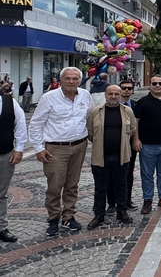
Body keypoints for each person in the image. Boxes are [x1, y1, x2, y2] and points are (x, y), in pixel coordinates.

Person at [29, 67, 93, 236]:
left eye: (75, 78)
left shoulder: (85, 96)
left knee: (72, 184)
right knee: (55, 185)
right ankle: (53, 218)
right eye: (67, 78)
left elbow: (90, 118)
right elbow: (36, 124)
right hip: (56, 148)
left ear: (80, 80)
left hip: (79, 146)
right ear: (61, 80)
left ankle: (69, 216)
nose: (71, 81)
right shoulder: (49, 98)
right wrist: (38, 148)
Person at [86, 85, 136, 230]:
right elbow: (90, 133)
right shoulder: (96, 112)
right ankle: (99, 214)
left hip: (122, 156)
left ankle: (122, 211)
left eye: (116, 94)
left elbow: (133, 129)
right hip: (100, 156)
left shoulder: (128, 112)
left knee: (121, 185)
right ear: (105, 95)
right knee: (100, 187)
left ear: (120, 95)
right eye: (110, 94)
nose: (113, 96)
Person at [132, 74, 161, 214]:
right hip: (147, 145)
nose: (157, 86)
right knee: (147, 175)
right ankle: (147, 200)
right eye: (154, 83)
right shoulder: (142, 102)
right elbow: (136, 122)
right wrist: (136, 139)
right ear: (150, 85)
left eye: (160, 83)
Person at [106, 80, 139, 213]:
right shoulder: (109, 106)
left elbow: (136, 126)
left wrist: (136, 140)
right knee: (110, 174)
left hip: (129, 145)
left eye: (129, 88)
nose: (126, 90)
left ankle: (126, 200)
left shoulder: (136, 106)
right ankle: (111, 202)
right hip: (111, 145)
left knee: (128, 173)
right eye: (124, 88)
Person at [0, 92, 27, 242]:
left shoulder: (9, 102)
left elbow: (20, 123)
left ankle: (1, 227)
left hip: (4, 153)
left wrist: (19, 148)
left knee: (1, 194)